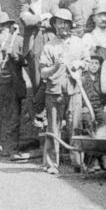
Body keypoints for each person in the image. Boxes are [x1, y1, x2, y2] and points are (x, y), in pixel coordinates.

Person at [38, 9, 88, 174]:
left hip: (74, 90)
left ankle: (77, 162)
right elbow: (43, 73)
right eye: (60, 23)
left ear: (71, 25)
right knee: (53, 128)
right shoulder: (49, 46)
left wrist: (80, 64)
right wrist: (55, 66)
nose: (63, 26)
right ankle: (51, 164)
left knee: (76, 126)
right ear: (55, 25)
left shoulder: (79, 43)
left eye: (66, 23)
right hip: (54, 91)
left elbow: (88, 63)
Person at [0, 13, 31, 162]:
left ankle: (12, 149)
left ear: (9, 26)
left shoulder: (18, 40)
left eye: (3, 26)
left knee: (13, 119)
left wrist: (14, 55)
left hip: (14, 85)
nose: (1, 29)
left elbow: (26, 60)